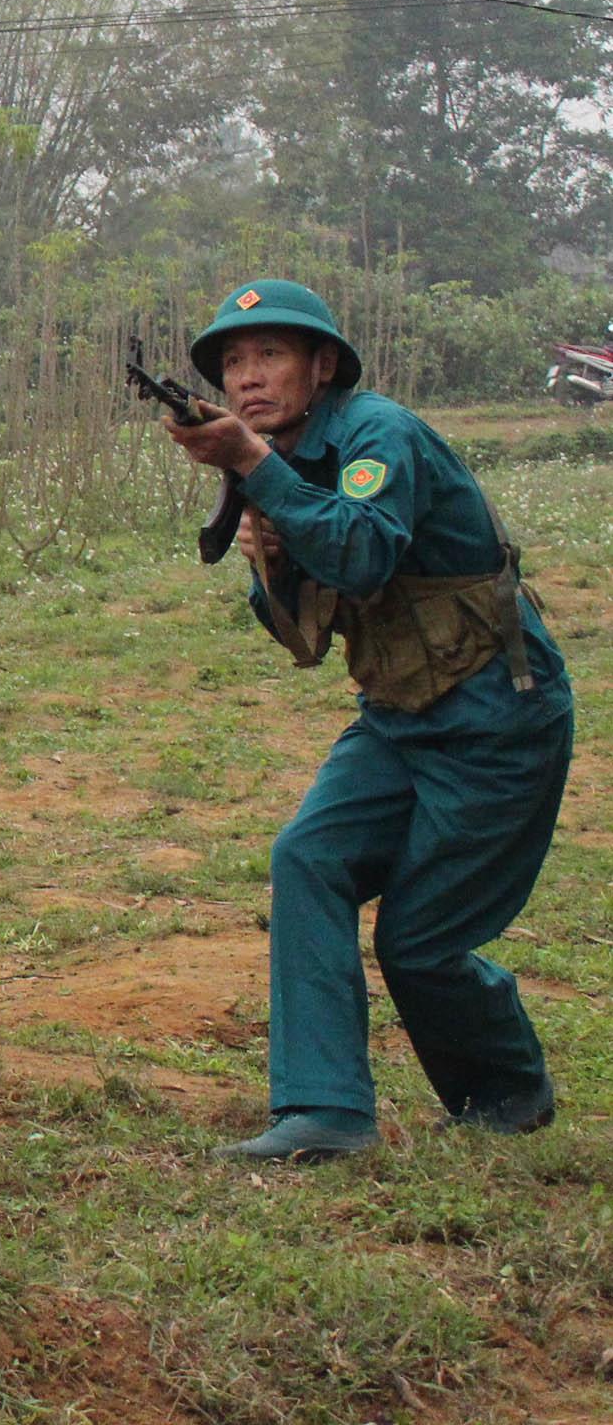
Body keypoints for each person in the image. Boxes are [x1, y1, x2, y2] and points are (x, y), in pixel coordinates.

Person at [159, 279, 571, 1161]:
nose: (247, 379)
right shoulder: (278, 462)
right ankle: (326, 1113)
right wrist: (269, 549)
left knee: (419, 940)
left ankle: (508, 1092)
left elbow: (365, 546)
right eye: (232, 362)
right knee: (308, 855)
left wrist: (256, 469)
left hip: (497, 718)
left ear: (323, 366)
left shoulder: (377, 433)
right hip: (395, 715)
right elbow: (297, 636)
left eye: (270, 354)